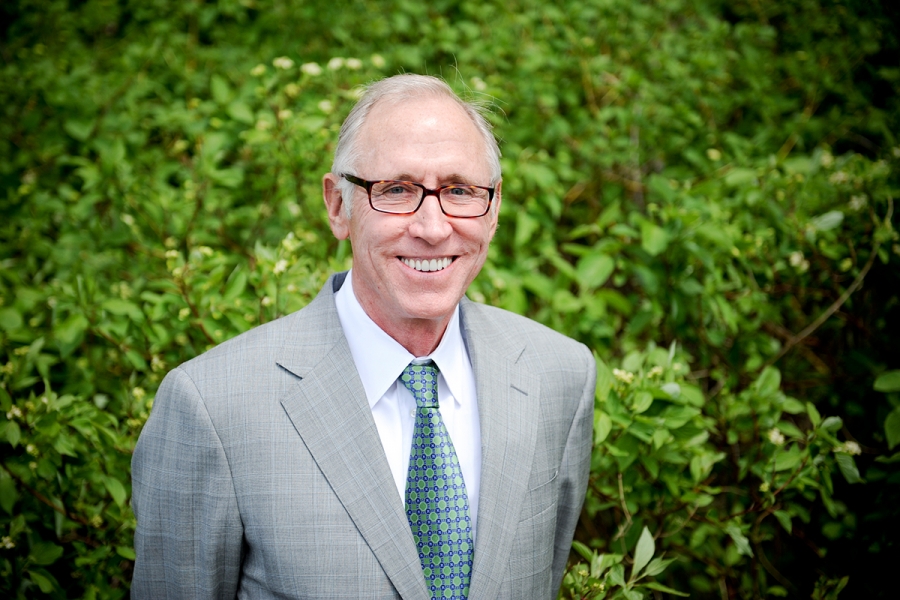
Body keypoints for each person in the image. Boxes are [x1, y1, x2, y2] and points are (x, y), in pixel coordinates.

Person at [131, 74, 596, 599]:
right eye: (396, 190)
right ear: (337, 206)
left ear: (493, 208)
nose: (432, 226)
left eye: (460, 191)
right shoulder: (211, 407)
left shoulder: (560, 376)